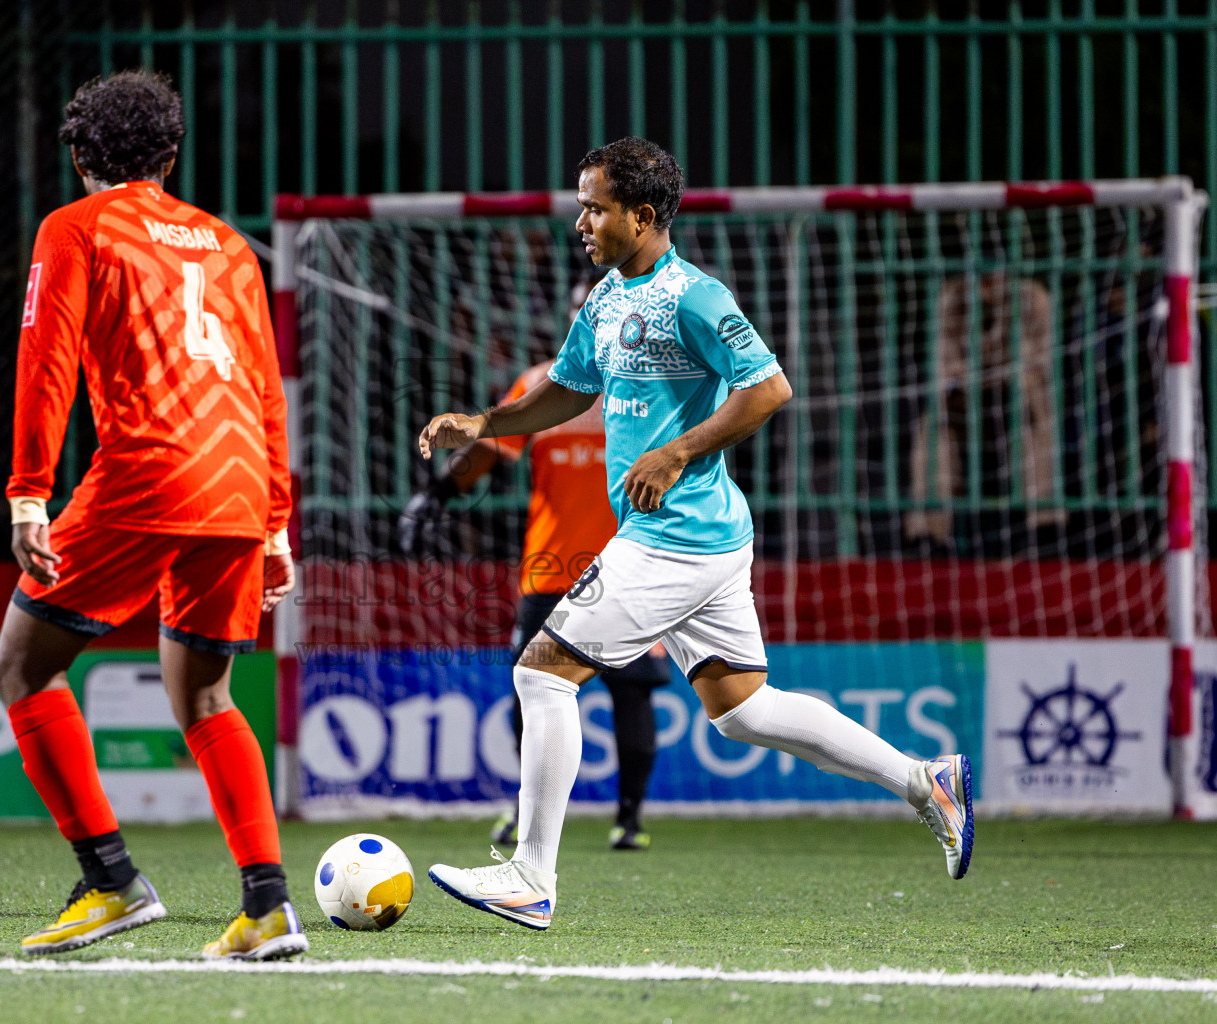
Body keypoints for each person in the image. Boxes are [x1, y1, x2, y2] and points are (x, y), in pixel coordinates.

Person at [418, 136, 974, 932]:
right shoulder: (606, 299)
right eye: (580, 204)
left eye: (595, 207)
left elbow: (770, 388)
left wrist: (678, 450)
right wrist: (483, 423)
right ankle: (927, 782)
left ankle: (530, 876)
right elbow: (567, 393)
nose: (580, 219)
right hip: (702, 542)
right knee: (743, 711)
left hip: (672, 540)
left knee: (541, 676)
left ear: (642, 217)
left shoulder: (695, 297)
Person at [0, 70, 306, 961]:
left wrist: (28, 492)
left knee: (21, 667)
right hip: (240, 483)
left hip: (150, 472)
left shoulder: (77, 228)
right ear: (171, 154)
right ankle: (268, 906)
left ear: (81, 155)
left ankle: (111, 881)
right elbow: (266, 392)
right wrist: (277, 522)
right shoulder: (231, 246)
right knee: (207, 693)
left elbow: (44, 361)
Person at [399, 290, 668, 852]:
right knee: (535, 691)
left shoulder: (652, 384)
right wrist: (439, 493)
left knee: (632, 694)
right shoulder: (543, 383)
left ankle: (630, 818)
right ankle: (532, 813)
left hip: (629, 566)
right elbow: (490, 447)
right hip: (552, 572)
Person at [906, 271, 1064, 550]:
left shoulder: (1034, 299)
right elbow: (944, 373)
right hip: (966, 409)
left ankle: (1046, 529)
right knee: (932, 433)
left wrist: (1008, 376)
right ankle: (928, 535)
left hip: (1019, 407)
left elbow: (1041, 369)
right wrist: (968, 381)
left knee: (1041, 428)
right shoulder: (952, 298)